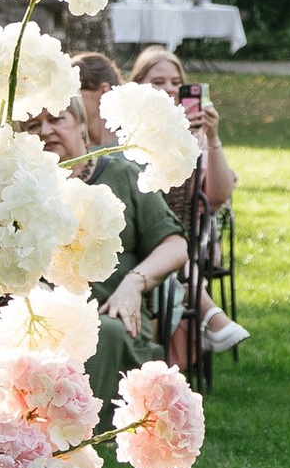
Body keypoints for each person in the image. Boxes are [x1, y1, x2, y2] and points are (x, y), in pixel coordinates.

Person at [33, 100, 188, 405]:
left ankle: (88, 436)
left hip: (114, 313)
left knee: (103, 332)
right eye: (32, 126)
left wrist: (135, 282)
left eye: (55, 119)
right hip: (45, 314)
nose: (45, 130)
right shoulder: (23, 190)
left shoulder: (124, 175)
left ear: (82, 126)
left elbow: (175, 245)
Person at [127, 41, 246, 347]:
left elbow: (218, 196)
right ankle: (210, 319)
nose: (169, 89)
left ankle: (188, 332)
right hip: (138, 238)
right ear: (136, 86)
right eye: (158, 82)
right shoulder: (124, 135)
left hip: (194, 240)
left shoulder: (193, 138)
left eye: (176, 83)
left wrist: (211, 137)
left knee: (173, 248)